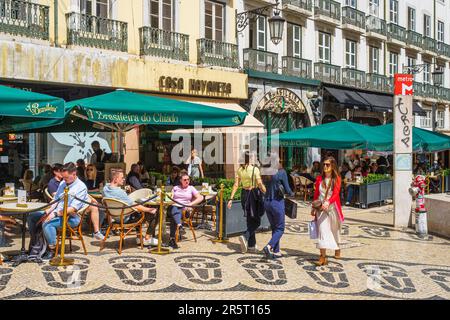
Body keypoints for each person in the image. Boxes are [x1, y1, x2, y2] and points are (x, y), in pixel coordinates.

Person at [27, 163, 102, 260]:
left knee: (47, 223)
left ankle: (52, 249)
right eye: (63, 177)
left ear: (74, 174)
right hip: (57, 212)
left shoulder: (81, 187)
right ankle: (36, 243)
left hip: (72, 217)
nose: (64, 180)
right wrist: (48, 210)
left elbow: (72, 209)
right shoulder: (63, 183)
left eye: (66, 177)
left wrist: (54, 214)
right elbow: (56, 199)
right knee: (32, 216)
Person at [103, 169, 158, 246]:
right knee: (155, 212)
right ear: (115, 179)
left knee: (139, 209)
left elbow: (111, 188)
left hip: (115, 217)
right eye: (122, 177)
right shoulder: (120, 193)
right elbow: (134, 205)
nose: (124, 179)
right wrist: (149, 209)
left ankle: (139, 238)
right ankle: (147, 238)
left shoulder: (105, 189)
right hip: (126, 218)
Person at [227, 152, 266, 253]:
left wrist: (231, 199)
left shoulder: (239, 170)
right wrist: (266, 191)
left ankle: (251, 246)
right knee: (257, 221)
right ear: (249, 160)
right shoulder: (255, 169)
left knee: (250, 220)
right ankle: (245, 235)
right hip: (253, 195)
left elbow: (236, 185)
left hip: (244, 195)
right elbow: (259, 183)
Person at [311, 156, 344, 266]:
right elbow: (316, 194)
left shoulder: (337, 178)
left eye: (328, 165)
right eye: (324, 164)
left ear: (332, 166)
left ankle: (337, 248)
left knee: (334, 230)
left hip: (333, 209)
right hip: (321, 209)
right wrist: (313, 207)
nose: (325, 166)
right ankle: (322, 257)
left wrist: (328, 202)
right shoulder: (319, 178)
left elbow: (336, 193)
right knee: (322, 230)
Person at [261, 159, 294, 259]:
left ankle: (276, 251)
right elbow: (288, 189)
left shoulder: (266, 174)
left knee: (275, 227)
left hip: (267, 202)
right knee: (280, 228)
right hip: (277, 202)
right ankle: (269, 246)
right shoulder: (281, 172)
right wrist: (292, 193)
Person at [166, 173, 204, 249]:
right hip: (175, 207)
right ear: (180, 180)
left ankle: (172, 238)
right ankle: (179, 226)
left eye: (188, 179)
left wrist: (190, 204)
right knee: (174, 208)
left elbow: (201, 198)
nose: (187, 181)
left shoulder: (191, 188)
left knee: (174, 215)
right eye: (185, 180)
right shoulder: (176, 188)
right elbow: (171, 198)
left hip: (185, 210)